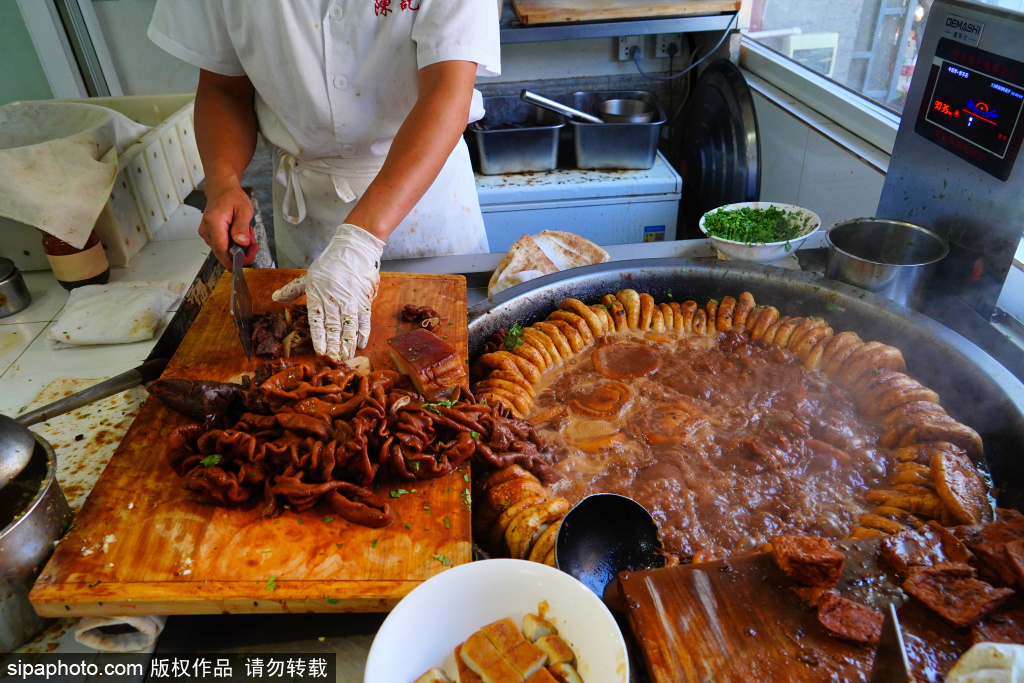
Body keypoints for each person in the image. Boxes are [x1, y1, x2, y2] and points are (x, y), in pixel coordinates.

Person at [148, 0, 500, 360]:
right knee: (314, 357)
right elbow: (223, 87)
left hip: (425, 197)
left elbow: (448, 88)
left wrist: (360, 240)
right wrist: (222, 182)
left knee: (446, 360)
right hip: (309, 209)